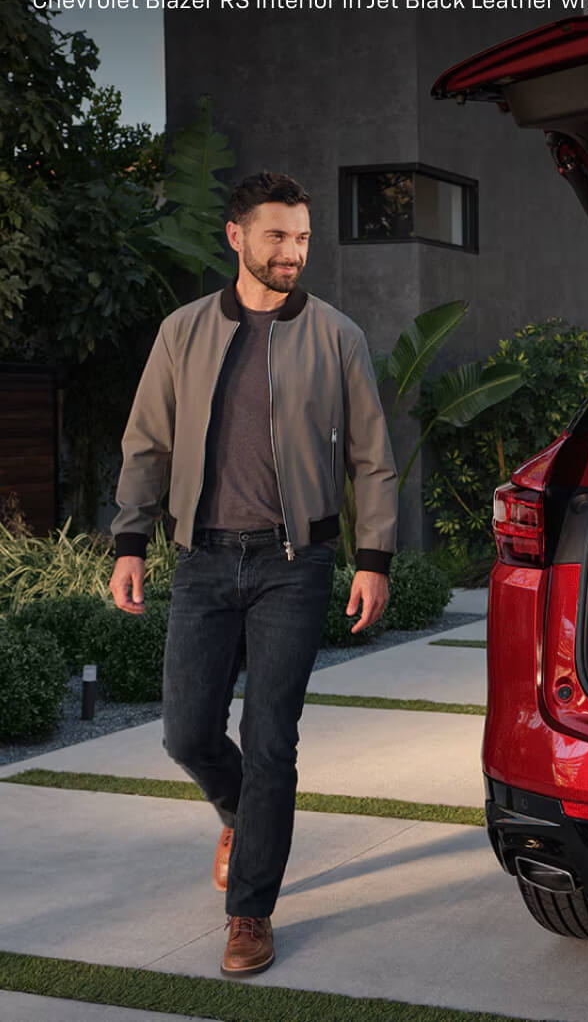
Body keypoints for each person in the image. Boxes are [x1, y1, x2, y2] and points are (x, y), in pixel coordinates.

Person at [107, 172, 398, 978]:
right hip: (202, 559)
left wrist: (372, 559)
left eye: (302, 238)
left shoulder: (336, 335)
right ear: (236, 237)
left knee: (272, 741)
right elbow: (147, 445)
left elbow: (373, 456)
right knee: (186, 732)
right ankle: (242, 816)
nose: (292, 252)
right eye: (276, 236)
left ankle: (250, 914)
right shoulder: (184, 331)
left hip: (293, 564)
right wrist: (129, 541)